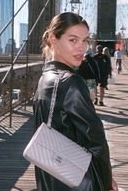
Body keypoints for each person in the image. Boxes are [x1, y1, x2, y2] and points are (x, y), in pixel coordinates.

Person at [33, 12, 118, 191]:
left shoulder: (45, 78)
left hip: (49, 177)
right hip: (75, 180)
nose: (82, 48)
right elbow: (96, 141)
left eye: (85, 40)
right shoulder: (71, 82)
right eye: (73, 40)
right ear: (53, 39)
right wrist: (107, 181)